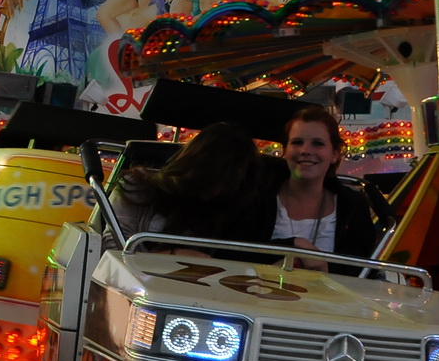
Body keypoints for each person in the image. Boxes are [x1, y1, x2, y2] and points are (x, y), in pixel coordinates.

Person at [265, 107, 394, 268]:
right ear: (285, 150)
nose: (305, 150)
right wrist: (295, 244)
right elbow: (236, 253)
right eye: (297, 142)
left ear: (334, 154)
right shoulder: (257, 197)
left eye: (317, 144)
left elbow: (359, 270)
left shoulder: (353, 204)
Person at [111, 123, 269, 244]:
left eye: (226, 186)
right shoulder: (138, 184)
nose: (216, 191)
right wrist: (172, 257)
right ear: (198, 170)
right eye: (213, 182)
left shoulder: (226, 206)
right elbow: (113, 245)